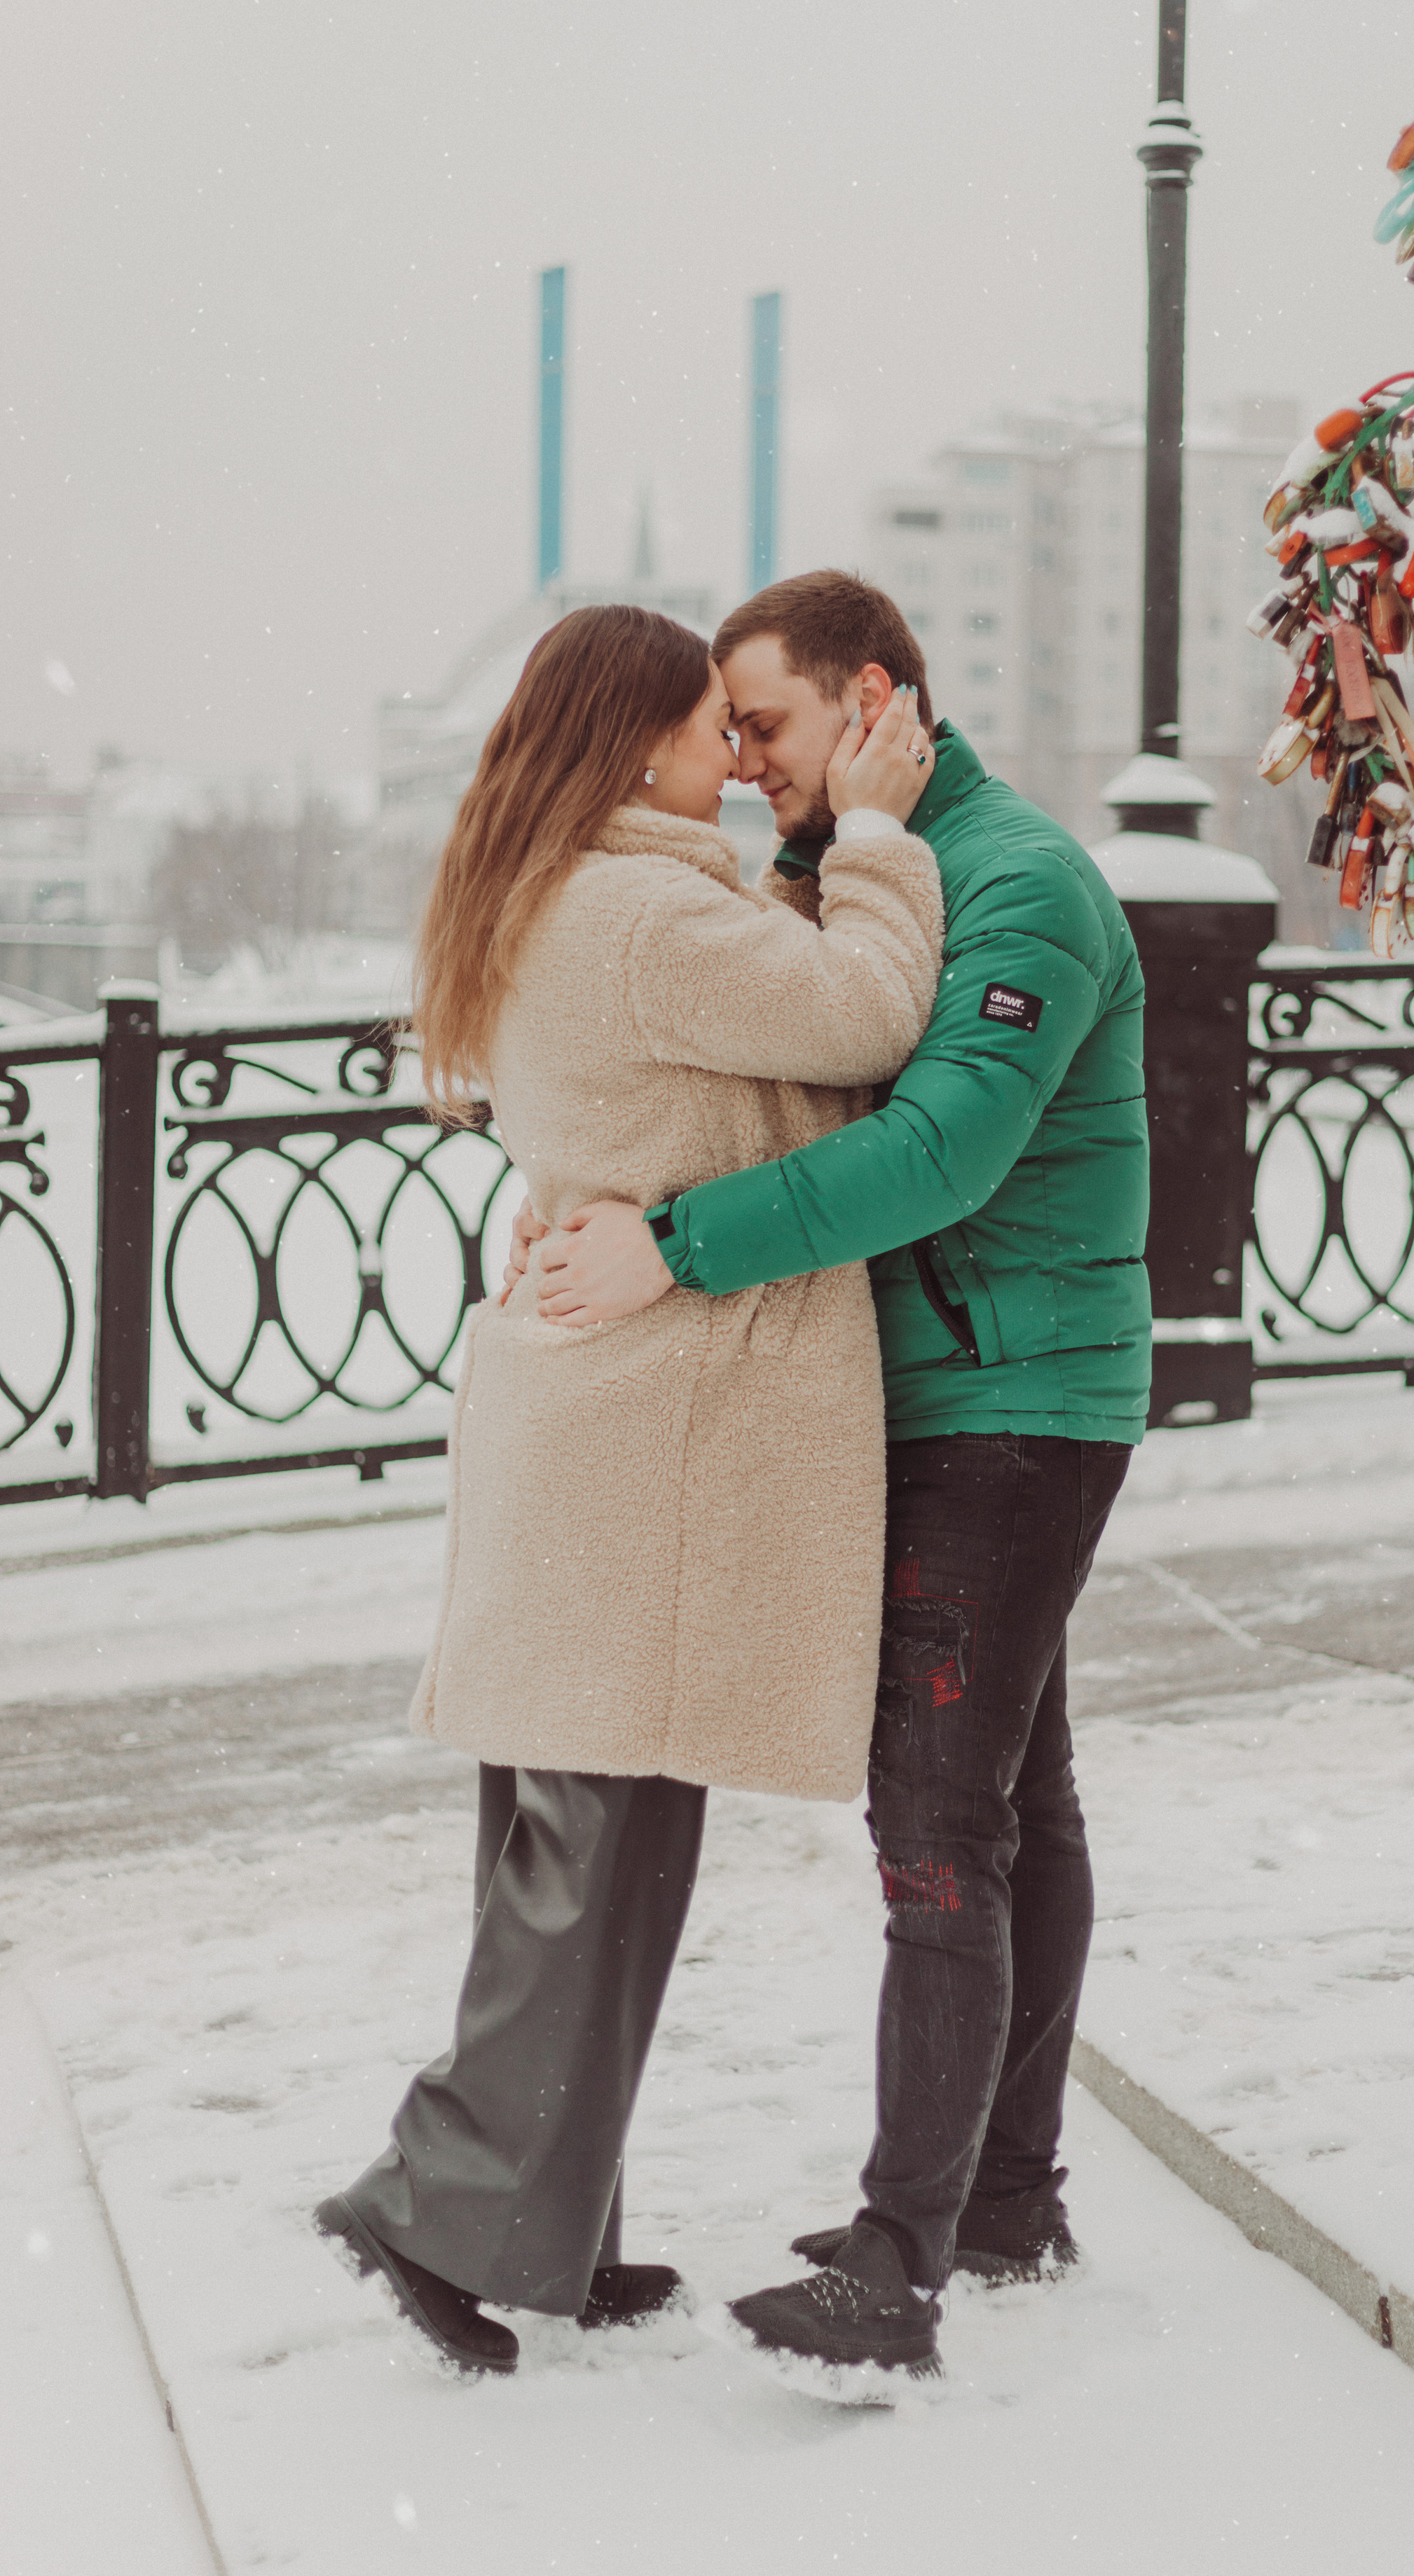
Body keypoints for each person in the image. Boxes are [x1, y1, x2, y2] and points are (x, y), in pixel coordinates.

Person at [510, 571, 1152, 2385]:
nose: (742, 762)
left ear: (878, 699)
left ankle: (902, 2269)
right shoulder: (851, 877)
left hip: (1014, 1399)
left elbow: (941, 1151)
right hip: (953, 1389)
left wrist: (676, 1249)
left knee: (941, 1830)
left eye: (769, 725)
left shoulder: (1020, 880)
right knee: (1026, 1799)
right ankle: (1007, 2193)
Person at [315, 602, 943, 2376]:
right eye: (702, 730)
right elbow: (870, 1011)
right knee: (591, 1849)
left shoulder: (557, 891)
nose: (729, 759)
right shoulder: (645, 910)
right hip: (643, 1434)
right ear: (634, 747)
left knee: (569, 1840)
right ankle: (437, 2208)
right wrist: (876, 839)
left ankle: (539, 2222)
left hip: (587, 1419)